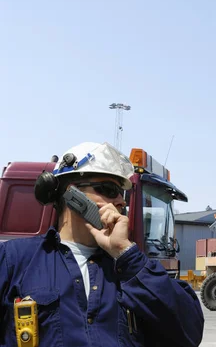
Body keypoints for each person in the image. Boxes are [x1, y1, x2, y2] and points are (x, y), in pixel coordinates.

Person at [0, 142, 204, 347]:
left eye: (122, 194)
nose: (120, 202)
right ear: (73, 195)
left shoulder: (133, 269)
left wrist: (126, 255)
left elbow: (189, 333)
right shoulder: (13, 260)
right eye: (108, 189)